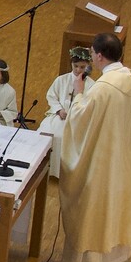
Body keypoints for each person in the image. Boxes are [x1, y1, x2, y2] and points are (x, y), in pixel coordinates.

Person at [55, 32, 131, 262]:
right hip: (124, 161)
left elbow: (80, 121)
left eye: (93, 54)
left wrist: (79, 93)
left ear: (100, 56)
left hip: (101, 163)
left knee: (91, 210)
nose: (92, 58)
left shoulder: (102, 89)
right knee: (115, 210)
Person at [39, 47, 91, 179]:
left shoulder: (92, 85)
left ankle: (67, 174)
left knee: (69, 139)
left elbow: (90, 105)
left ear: (88, 66)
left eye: (82, 67)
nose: (78, 70)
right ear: (71, 64)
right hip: (59, 116)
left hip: (77, 120)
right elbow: (51, 96)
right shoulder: (61, 80)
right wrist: (59, 109)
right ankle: (47, 170)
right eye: (76, 66)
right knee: (48, 134)